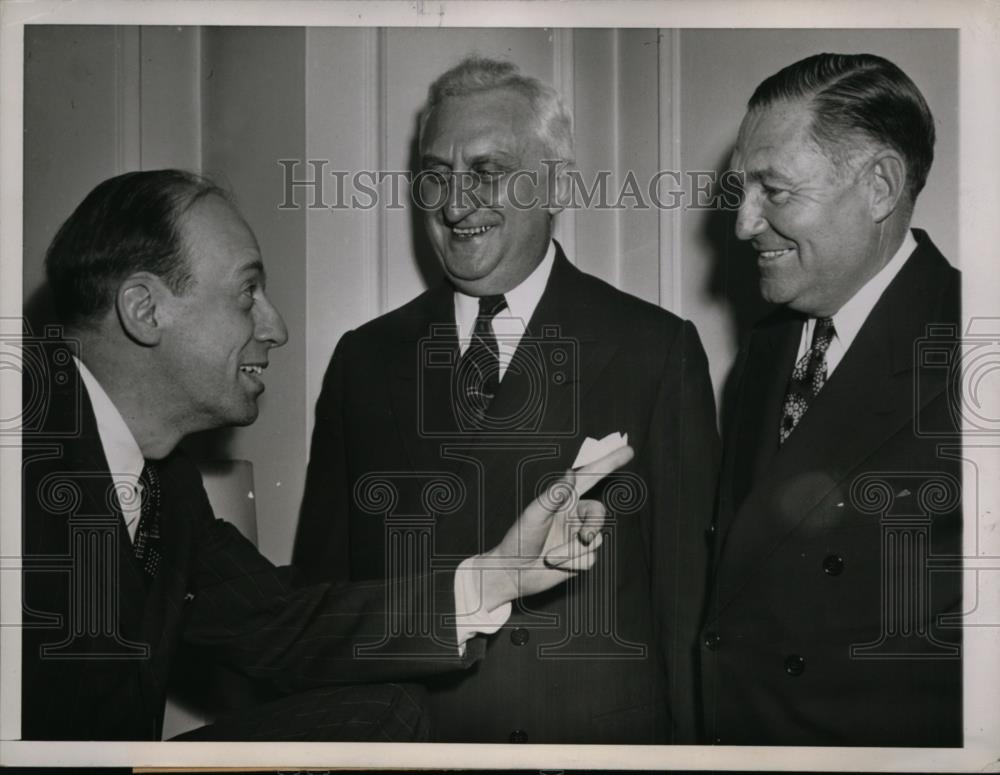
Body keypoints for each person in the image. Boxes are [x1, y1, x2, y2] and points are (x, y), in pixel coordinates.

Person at [20, 169, 630, 742]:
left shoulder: (166, 482)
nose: (276, 327)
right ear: (144, 309)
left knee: (387, 711)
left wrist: (502, 573)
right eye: (247, 292)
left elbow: (279, 625)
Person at [294, 57, 720, 744]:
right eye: (436, 175)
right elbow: (321, 605)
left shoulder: (653, 350)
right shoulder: (363, 359)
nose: (455, 204)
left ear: (557, 185)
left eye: (487, 171)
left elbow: (687, 607)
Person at [700, 53, 962, 746]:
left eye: (774, 191)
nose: (744, 225)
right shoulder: (765, 349)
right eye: (741, 191)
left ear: (878, 186)